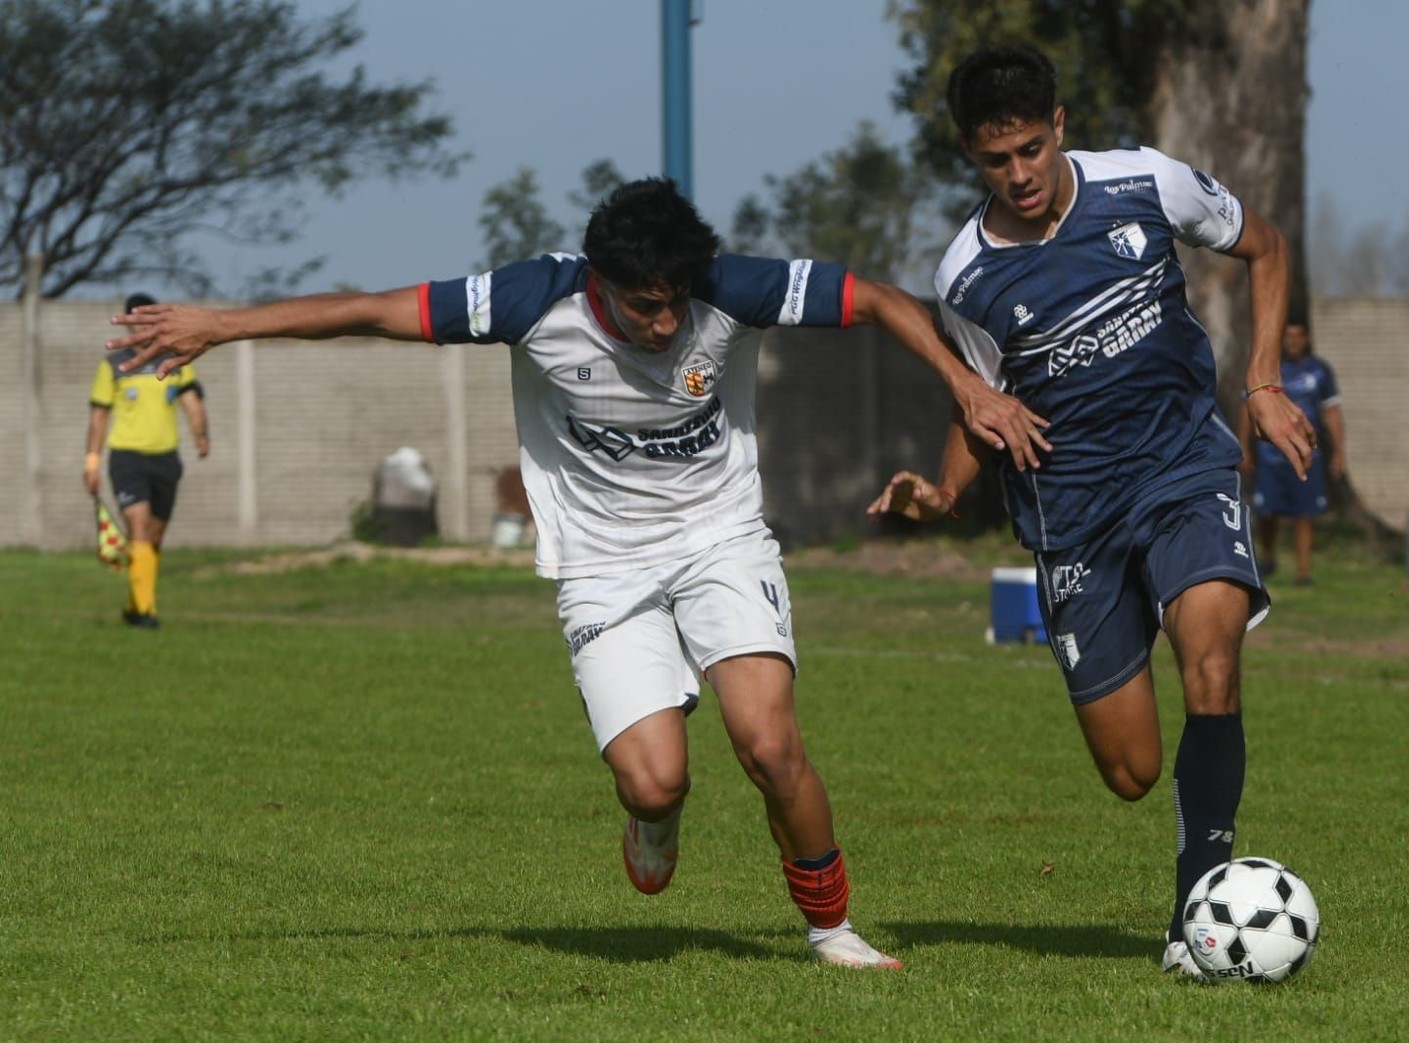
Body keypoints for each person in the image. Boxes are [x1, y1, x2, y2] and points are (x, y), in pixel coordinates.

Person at [106, 177, 1048, 968]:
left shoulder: (729, 287)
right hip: (601, 566)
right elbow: (369, 310)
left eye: (678, 297)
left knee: (767, 743)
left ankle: (832, 928)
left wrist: (964, 382)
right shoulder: (530, 301)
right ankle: (652, 818)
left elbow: (877, 298)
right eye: (646, 302)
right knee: (653, 782)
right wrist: (221, 325)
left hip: (721, 539)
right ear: (600, 283)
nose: (667, 318)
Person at [865, 47, 1317, 980]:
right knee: (1130, 771)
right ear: (969, 155)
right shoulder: (965, 277)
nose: (1020, 174)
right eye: (997, 160)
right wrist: (946, 491)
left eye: (1031, 148)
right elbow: (979, 405)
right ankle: (1132, 653)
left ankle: (1197, 911)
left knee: (1212, 657)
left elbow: (1264, 245)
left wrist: (1263, 380)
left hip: (1183, 466)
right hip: (1072, 516)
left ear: (1059, 126)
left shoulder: (1146, 184)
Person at [84, 293, 211, 629]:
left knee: (153, 538)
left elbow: (192, 401)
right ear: (128, 322)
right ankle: (146, 611)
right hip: (127, 458)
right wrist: (92, 461)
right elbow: (99, 416)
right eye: (137, 318)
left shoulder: (175, 360)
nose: (143, 325)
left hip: (166, 458)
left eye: (149, 318)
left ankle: (133, 604)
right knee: (138, 529)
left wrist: (201, 434)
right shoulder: (113, 365)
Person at [1239, 318, 1346, 586]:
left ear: (1307, 338)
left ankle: (1303, 572)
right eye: (1288, 336)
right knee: (1267, 511)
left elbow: (1331, 412)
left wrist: (1339, 451)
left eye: (1298, 336)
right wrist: (1244, 447)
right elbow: (1247, 409)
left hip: (1307, 455)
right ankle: (1268, 556)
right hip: (1270, 456)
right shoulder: (1267, 370)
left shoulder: (1320, 371)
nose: (1293, 341)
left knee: (1304, 514)